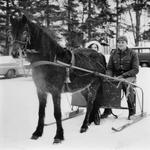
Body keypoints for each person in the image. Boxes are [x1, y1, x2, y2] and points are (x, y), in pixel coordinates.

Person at [101, 35, 139, 119]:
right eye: (119, 42)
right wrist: (109, 76)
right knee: (107, 84)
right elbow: (110, 68)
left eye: (123, 42)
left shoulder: (133, 53)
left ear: (126, 43)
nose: (121, 44)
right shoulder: (113, 53)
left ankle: (132, 111)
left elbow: (135, 69)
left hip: (129, 76)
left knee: (126, 85)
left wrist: (123, 76)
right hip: (116, 76)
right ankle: (107, 109)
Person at [85, 41, 107, 125]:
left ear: (98, 49)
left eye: (95, 47)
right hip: (87, 79)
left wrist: (99, 73)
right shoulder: (85, 57)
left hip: (98, 79)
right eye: (92, 47)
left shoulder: (101, 56)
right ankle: (90, 114)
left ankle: (95, 113)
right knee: (88, 96)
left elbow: (104, 68)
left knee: (97, 96)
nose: (94, 49)